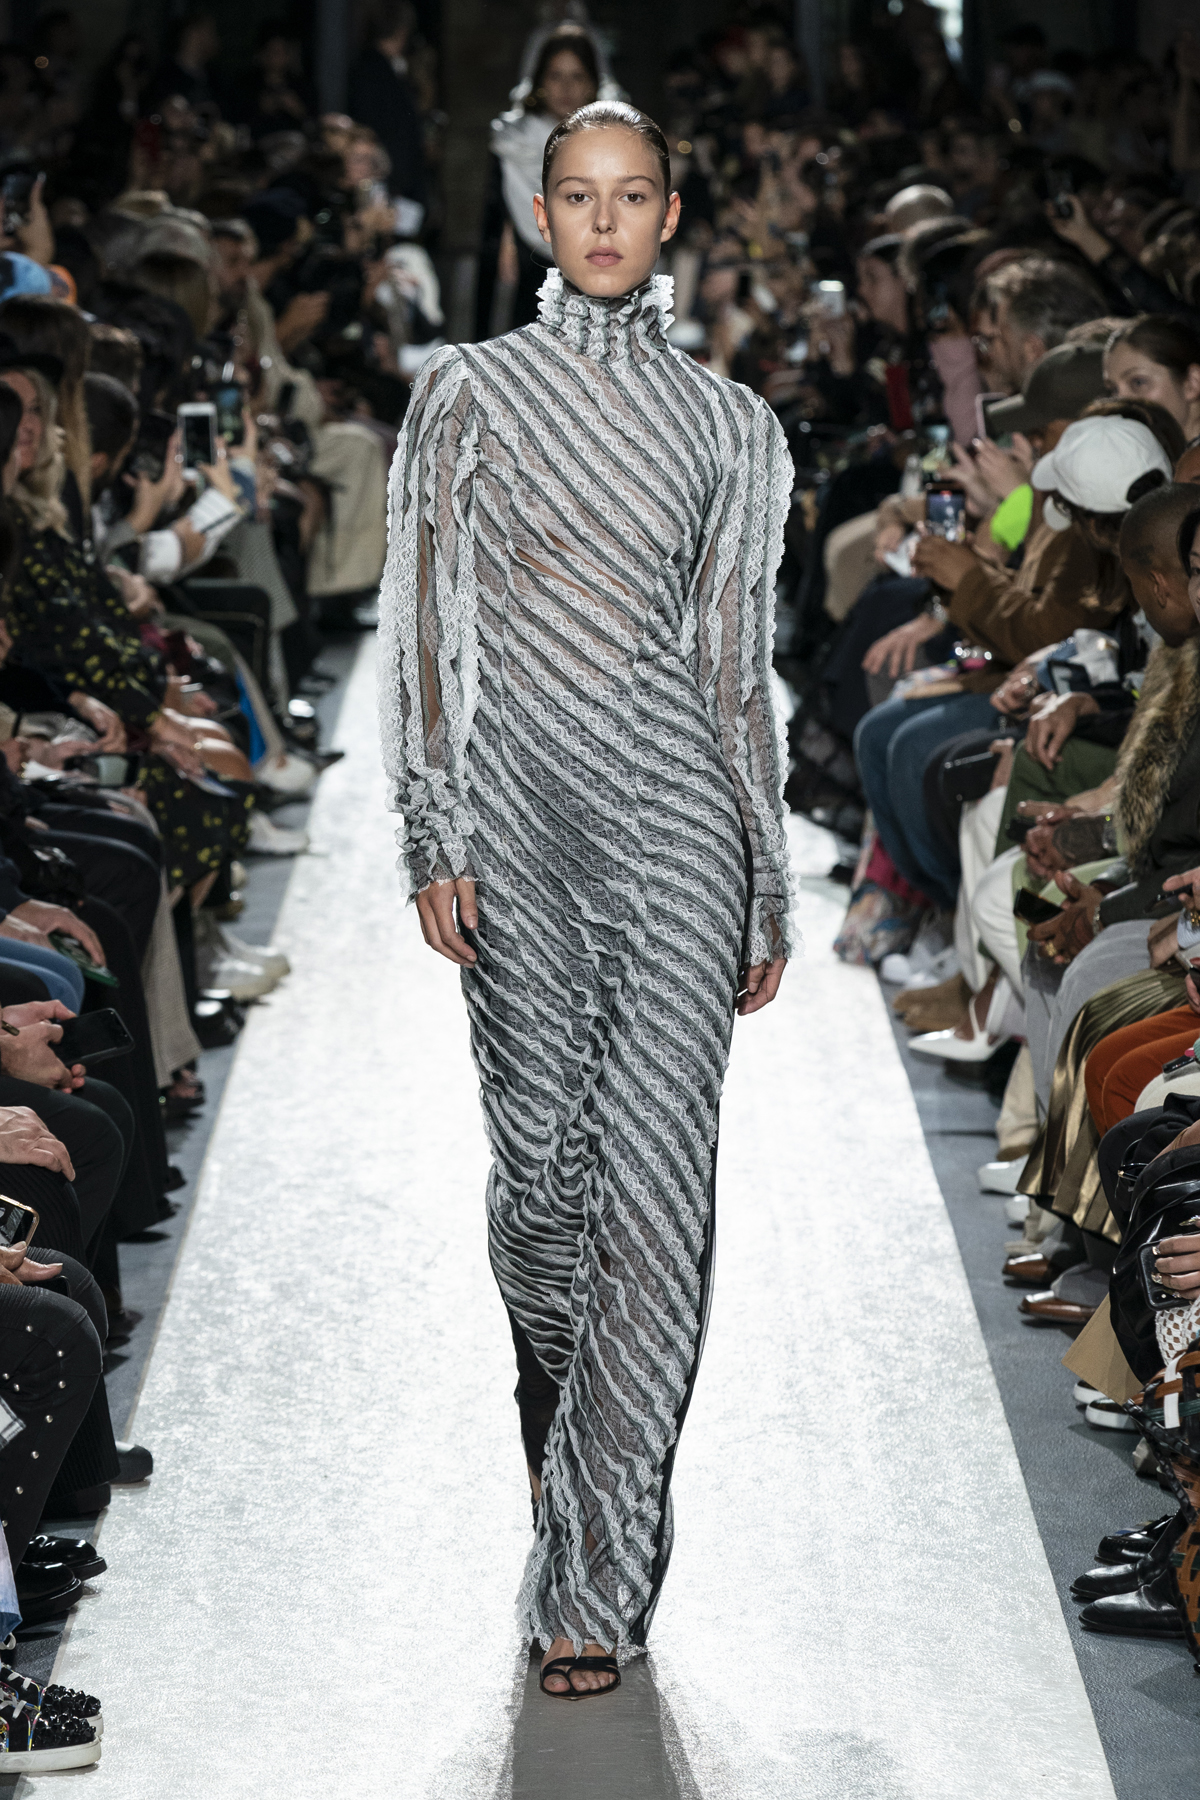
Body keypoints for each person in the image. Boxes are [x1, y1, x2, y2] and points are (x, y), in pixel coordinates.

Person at [378, 99, 792, 1698]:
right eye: (577, 195)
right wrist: (432, 826)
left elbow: (735, 666)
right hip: (516, 822)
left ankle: (597, 1580)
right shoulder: (468, 392)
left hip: (681, 824)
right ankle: (560, 1422)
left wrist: (765, 876)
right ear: (540, 214)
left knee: (657, 1202)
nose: (605, 221)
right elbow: (424, 619)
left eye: (632, 196)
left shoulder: (734, 426)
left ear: (670, 214)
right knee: (546, 1192)